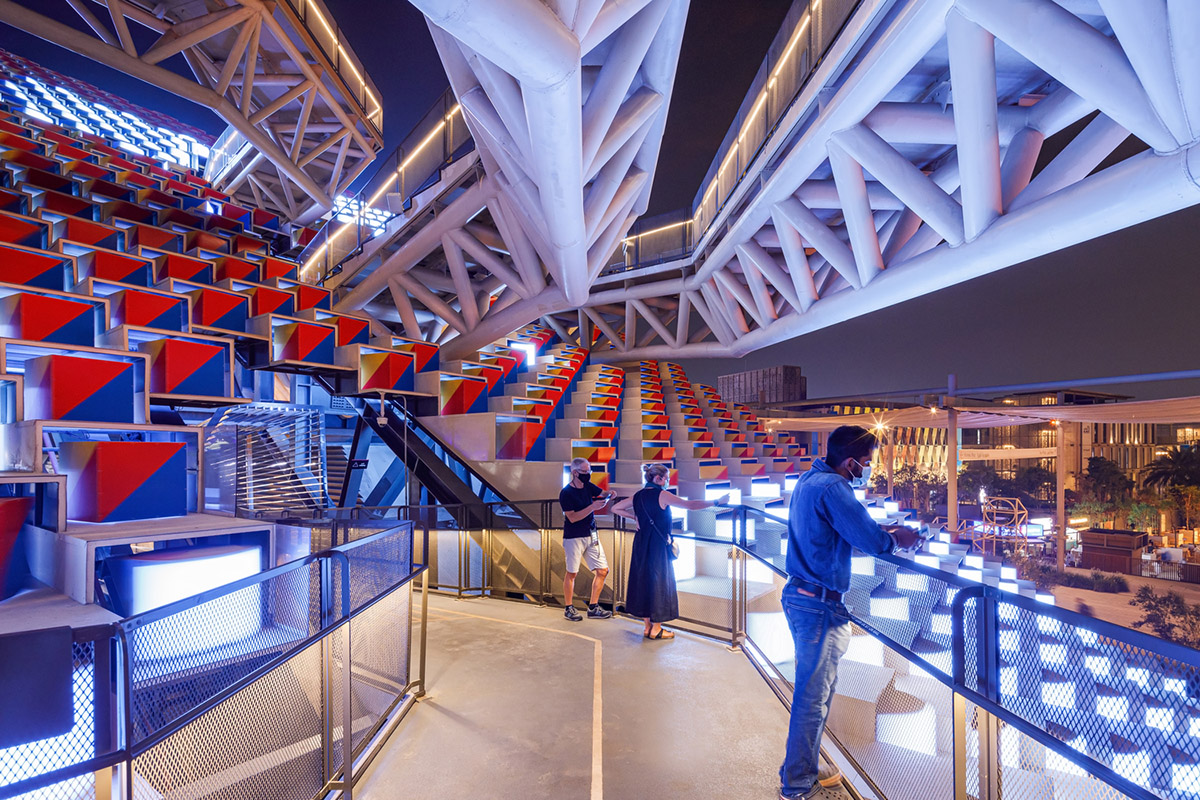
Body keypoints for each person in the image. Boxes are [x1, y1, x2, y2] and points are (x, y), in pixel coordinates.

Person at [779, 425, 921, 800]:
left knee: (815, 694)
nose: (868, 469)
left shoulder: (811, 480)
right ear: (850, 461)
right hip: (818, 606)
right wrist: (898, 538)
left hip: (802, 596)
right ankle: (796, 784)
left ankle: (801, 767)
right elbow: (874, 543)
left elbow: (841, 530)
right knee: (813, 698)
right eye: (867, 462)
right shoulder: (834, 488)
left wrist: (880, 530)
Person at [612, 463, 729, 640]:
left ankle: (647, 626)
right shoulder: (662, 495)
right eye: (666, 478)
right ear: (658, 479)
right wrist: (717, 501)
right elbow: (690, 505)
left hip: (641, 543)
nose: (667, 482)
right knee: (660, 582)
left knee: (643, 580)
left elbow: (615, 508)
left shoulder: (638, 495)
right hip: (658, 546)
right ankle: (656, 628)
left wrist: (634, 516)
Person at [558, 457, 615, 622]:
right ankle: (569, 608)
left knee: (603, 570)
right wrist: (592, 507)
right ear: (574, 473)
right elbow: (572, 517)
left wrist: (609, 493)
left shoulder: (588, 486)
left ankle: (593, 606)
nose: (588, 474)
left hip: (591, 534)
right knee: (572, 572)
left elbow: (601, 493)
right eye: (584, 471)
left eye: (589, 471)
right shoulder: (566, 493)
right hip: (574, 536)